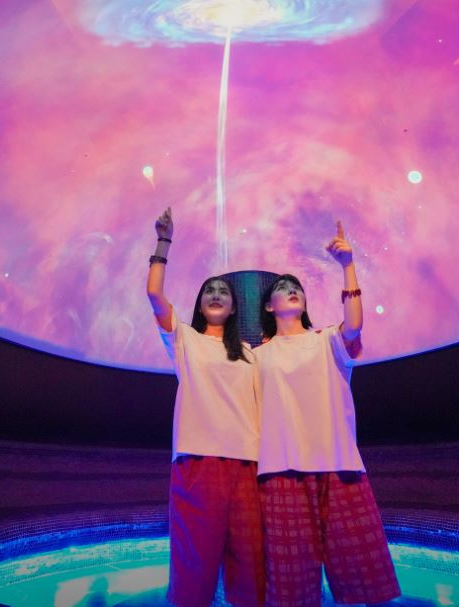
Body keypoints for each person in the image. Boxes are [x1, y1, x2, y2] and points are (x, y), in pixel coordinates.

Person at [254, 221, 401, 607]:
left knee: (362, 579)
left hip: (338, 466)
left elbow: (354, 324)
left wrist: (347, 265)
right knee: (291, 586)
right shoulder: (256, 356)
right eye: (283, 288)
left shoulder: (327, 341)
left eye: (297, 287)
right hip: (280, 471)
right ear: (269, 306)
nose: (292, 290)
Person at [147, 207, 265, 607]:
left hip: (248, 464)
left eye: (223, 292)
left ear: (232, 308)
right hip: (197, 461)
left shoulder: (250, 353)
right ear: (200, 305)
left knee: (250, 563)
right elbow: (154, 295)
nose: (216, 294)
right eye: (209, 290)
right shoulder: (185, 340)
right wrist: (164, 242)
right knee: (194, 564)